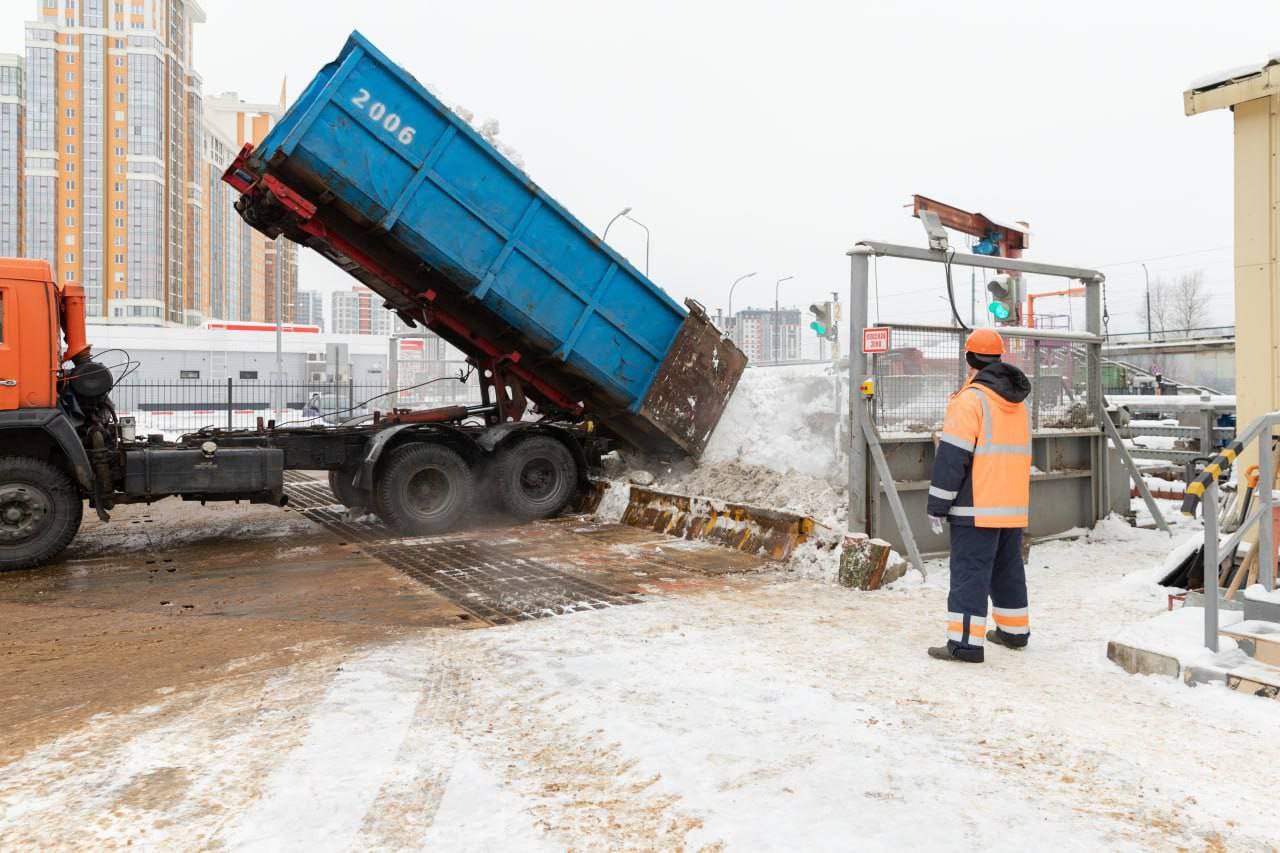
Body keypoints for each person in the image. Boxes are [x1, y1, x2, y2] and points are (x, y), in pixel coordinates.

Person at [926, 328, 1032, 663]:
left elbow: (952, 457)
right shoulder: (1017, 403)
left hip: (977, 506)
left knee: (970, 572)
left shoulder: (971, 400)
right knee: (1007, 568)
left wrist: (937, 505)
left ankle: (963, 645)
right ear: (999, 357)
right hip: (1011, 505)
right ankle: (1014, 631)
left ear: (969, 357)